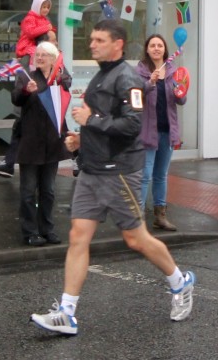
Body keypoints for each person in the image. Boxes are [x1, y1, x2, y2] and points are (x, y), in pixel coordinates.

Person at [30, 19, 195, 336]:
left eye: (99, 39)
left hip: (119, 172)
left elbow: (132, 126)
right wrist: (82, 138)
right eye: (92, 39)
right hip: (93, 169)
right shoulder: (102, 75)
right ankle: (66, 312)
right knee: (78, 235)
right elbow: (103, 123)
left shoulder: (128, 79)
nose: (92, 44)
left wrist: (91, 120)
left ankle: (180, 281)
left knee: (136, 239)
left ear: (118, 44)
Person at [0, 0, 58, 179]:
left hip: (42, 116)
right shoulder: (31, 60)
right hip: (32, 112)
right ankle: (9, 163)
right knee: (21, 129)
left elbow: (62, 83)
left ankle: (77, 158)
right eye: (53, 41)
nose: (56, 44)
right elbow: (18, 92)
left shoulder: (54, 63)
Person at [12, 41, 71, 247]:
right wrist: (27, 91)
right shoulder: (25, 76)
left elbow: (67, 86)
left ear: (53, 59)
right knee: (28, 190)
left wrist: (58, 75)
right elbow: (16, 99)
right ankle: (30, 231)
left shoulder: (59, 78)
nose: (39, 58)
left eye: (44, 55)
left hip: (52, 143)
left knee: (48, 190)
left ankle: (47, 228)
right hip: (30, 142)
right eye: (37, 54)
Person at [136, 34, 186, 231]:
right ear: (147, 49)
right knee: (145, 175)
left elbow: (181, 101)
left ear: (165, 50)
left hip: (167, 131)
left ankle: (160, 216)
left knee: (161, 175)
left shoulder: (173, 71)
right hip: (148, 131)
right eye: (152, 45)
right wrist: (149, 83)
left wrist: (180, 92)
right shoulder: (140, 71)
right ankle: (138, 219)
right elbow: (134, 95)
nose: (156, 48)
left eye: (160, 45)